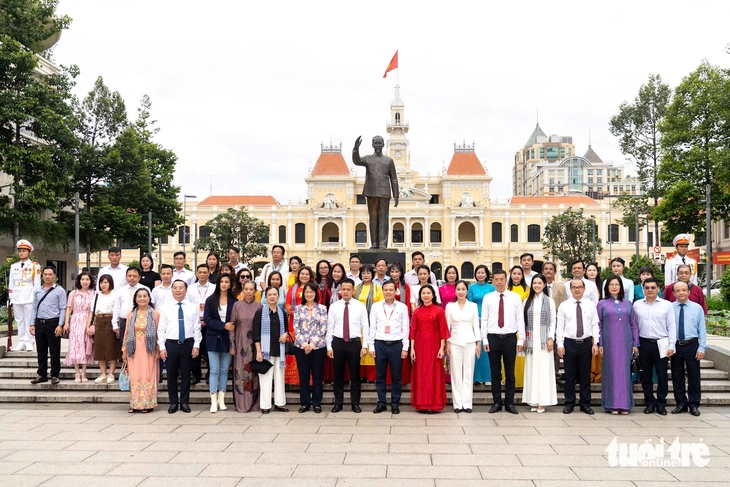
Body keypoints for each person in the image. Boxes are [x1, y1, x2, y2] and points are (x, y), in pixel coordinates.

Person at [481, 270, 525, 414]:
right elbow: (485, 320)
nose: (499, 282)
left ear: (506, 280)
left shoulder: (515, 297)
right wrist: (484, 339)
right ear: (492, 281)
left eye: (502, 279)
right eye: (496, 279)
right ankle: (497, 402)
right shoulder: (488, 298)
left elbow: (520, 319)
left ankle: (509, 402)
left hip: (510, 338)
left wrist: (521, 339)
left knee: (510, 372)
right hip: (493, 337)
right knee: (495, 372)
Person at [556, 279, 600, 415]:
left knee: (585, 375)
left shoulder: (591, 305)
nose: (577, 289)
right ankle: (569, 403)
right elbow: (560, 326)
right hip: (569, 343)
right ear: (570, 289)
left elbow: (595, 324)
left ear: (584, 288)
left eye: (579, 287)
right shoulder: (564, 305)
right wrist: (560, 344)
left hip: (586, 343)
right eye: (574, 287)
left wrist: (595, 343)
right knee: (569, 375)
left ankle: (585, 403)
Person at [597, 275, 639, 414]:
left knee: (624, 373)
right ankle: (612, 404)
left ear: (621, 287)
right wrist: (600, 344)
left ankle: (625, 404)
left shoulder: (628, 303)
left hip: (626, 342)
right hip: (609, 342)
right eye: (611, 285)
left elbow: (633, 324)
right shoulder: (601, 304)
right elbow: (599, 324)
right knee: (611, 372)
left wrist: (635, 343)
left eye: (617, 284)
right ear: (607, 287)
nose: (614, 287)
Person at [158, 280, 201, 414]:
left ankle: (184, 402)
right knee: (171, 374)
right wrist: (162, 347)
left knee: (186, 374)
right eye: (175, 288)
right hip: (170, 344)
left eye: (181, 288)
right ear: (172, 290)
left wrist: (196, 345)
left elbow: (197, 327)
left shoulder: (192, 307)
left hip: (187, 343)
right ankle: (173, 402)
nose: (178, 290)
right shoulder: (165, 307)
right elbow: (161, 329)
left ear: (186, 290)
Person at [634, 277, 676, 415]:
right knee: (645, 375)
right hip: (644, 343)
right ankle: (649, 402)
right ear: (643, 290)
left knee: (662, 375)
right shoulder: (637, 305)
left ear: (658, 289)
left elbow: (671, 326)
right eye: (647, 288)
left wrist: (671, 345)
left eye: (653, 287)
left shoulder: (666, 305)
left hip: (661, 343)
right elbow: (634, 326)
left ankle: (661, 403)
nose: (650, 290)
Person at [326, 278, 369, 413]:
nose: (345, 292)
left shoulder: (360, 306)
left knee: (355, 375)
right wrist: (329, 347)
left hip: (354, 343)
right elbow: (330, 328)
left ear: (353, 290)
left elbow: (365, 327)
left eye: (348, 289)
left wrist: (365, 345)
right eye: (343, 289)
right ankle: (338, 403)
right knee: (338, 375)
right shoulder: (334, 306)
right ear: (340, 290)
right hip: (338, 343)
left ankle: (355, 403)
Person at [368, 280, 410, 414]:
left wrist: (405, 348)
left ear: (395, 291)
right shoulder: (375, 306)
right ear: (382, 291)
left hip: (396, 344)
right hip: (379, 343)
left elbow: (405, 328)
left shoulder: (402, 307)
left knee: (396, 376)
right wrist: (371, 346)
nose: (388, 292)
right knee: (380, 376)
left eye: (391, 289)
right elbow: (372, 327)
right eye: (385, 289)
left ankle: (394, 403)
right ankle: (381, 403)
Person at [352, 134, 399, 248]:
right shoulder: (368, 159)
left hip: (384, 193)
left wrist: (396, 195)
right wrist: (356, 149)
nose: (378, 145)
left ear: (383, 145)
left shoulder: (389, 161)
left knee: (384, 218)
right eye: (376, 143)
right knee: (373, 218)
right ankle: (374, 243)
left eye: (379, 143)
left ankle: (383, 244)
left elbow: (394, 179)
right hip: (371, 192)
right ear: (373, 145)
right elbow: (356, 161)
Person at [410, 285, 450, 414]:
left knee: (434, 373)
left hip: (434, 346)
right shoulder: (416, 311)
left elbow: (443, 330)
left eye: (428, 293)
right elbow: (413, 330)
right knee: (421, 373)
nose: (426, 295)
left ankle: (434, 404)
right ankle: (421, 404)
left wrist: (441, 347)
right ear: (420, 296)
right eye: (423, 293)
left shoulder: (439, 311)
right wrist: (412, 349)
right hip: (420, 346)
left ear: (433, 295)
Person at [522, 274, 558, 413]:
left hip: (544, 342)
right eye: (534, 283)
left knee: (544, 370)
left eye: (539, 283)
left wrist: (550, 338)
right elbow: (523, 322)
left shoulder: (549, 301)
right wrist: (524, 339)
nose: (536, 285)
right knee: (532, 370)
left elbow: (553, 321)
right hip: (531, 342)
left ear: (544, 285)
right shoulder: (527, 301)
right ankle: (534, 400)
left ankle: (542, 402)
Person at [670, 280, 706, 417]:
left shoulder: (697, 308)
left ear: (689, 292)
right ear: (673, 293)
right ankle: (681, 403)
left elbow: (702, 329)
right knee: (677, 376)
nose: (681, 293)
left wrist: (702, 347)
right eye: (678, 290)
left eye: (684, 290)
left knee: (694, 376)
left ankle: (694, 404)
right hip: (676, 345)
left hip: (692, 344)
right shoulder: (670, 307)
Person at [122, 288, 160, 413]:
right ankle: (135, 403)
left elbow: (159, 333)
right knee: (135, 376)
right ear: (135, 299)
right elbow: (127, 333)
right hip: (134, 350)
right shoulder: (131, 314)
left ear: (149, 298)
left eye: (145, 296)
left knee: (147, 376)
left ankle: (147, 404)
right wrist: (124, 350)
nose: (142, 298)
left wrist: (159, 349)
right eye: (139, 296)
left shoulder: (155, 314)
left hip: (150, 350)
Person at [293, 282, 328, 413]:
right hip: (301, 347)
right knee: (304, 376)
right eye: (306, 292)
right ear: (303, 294)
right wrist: (304, 344)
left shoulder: (322, 309)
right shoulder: (298, 308)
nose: (309, 294)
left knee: (317, 376)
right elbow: (296, 328)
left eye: (311, 292)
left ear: (316, 293)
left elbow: (323, 327)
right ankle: (305, 403)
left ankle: (317, 403)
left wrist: (312, 345)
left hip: (317, 347)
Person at [445, 281, 480, 413]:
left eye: (463, 289)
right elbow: (447, 327)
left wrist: (478, 342)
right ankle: (457, 404)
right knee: (456, 372)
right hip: (454, 342)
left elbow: (476, 325)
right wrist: (447, 343)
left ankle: (467, 403)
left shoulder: (473, 306)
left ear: (467, 291)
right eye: (458, 289)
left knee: (468, 372)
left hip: (470, 342)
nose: (460, 292)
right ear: (455, 291)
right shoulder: (450, 307)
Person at [253, 286, 289, 413]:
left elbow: (287, 330)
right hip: (265, 351)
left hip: (279, 349)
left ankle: (280, 403)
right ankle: (265, 405)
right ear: (265, 297)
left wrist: (285, 335)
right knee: (265, 379)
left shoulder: (283, 313)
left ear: (278, 297)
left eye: (275, 294)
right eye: (270, 295)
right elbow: (255, 334)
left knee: (279, 378)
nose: (272, 297)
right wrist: (258, 351)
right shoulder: (259, 312)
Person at [203, 274, 236, 413]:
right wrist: (223, 325)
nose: (223, 284)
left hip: (228, 338)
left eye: (226, 281)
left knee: (224, 370)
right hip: (213, 338)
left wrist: (230, 327)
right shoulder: (210, 300)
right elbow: (207, 319)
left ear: (230, 284)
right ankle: (213, 400)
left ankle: (222, 399)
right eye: (221, 281)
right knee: (214, 369)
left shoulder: (234, 301)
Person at [29, 266, 67, 385]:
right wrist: (32, 323)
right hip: (40, 323)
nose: (47, 276)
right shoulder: (37, 291)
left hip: (53, 323)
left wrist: (60, 325)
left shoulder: (60, 291)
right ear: (42, 276)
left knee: (54, 351)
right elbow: (34, 307)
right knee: (41, 350)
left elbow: (62, 308)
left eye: (50, 274)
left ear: (55, 276)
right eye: (45, 274)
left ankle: (55, 375)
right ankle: (42, 374)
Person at [229, 280, 263, 413]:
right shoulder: (237, 305)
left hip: (255, 345)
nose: (249, 292)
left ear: (255, 291)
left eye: (251, 289)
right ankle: (242, 404)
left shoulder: (260, 306)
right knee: (241, 373)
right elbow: (232, 326)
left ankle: (255, 403)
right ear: (243, 290)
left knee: (254, 374)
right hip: (241, 343)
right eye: (246, 289)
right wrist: (232, 345)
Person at [64, 271, 97, 382]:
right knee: (75, 345)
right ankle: (77, 372)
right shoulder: (73, 293)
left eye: (87, 279)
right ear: (79, 280)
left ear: (91, 281)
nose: (85, 282)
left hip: (88, 320)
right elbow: (69, 308)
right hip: (75, 320)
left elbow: (94, 310)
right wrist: (66, 322)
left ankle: (84, 372)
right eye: (83, 279)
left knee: (86, 345)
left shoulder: (94, 294)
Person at [9, 239, 41, 352]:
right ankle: (21, 341)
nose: (21, 253)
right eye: (20, 251)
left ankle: (29, 341)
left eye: (24, 251)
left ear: (29, 252)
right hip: (17, 296)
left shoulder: (34, 266)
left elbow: (37, 284)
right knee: (19, 320)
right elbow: (11, 282)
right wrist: (10, 296)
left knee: (29, 320)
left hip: (29, 296)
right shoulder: (14, 266)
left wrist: (37, 298)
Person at [354, 264, 383, 382]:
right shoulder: (356, 288)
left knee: (371, 348)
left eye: (368, 273)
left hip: (372, 323)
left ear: (373, 274)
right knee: (360, 349)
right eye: (363, 273)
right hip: (358, 323)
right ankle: (361, 375)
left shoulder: (377, 288)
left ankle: (371, 376)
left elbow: (380, 305)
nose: (366, 275)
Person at [188, 264, 216, 386]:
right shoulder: (190, 288)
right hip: (194, 322)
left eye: (205, 272)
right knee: (195, 350)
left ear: (209, 273)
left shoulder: (214, 288)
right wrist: (197, 321)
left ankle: (210, 375)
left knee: (210, 350)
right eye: (200, 272)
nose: (203, 274)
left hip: (209, 322)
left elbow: (216, 305)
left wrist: (207, 320)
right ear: (197, 274)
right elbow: (188, 305)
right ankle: (196, 375)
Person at [91, 275, 121, 383]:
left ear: (110, 283)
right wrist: (89, 325)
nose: (103, 285)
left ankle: (111, 374)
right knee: (99, 348)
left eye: (106, 282)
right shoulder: (96, 296)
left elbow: (118, 311)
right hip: (99, 321)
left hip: (111, 320)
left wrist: (117, 325)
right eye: (101, 282)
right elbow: (92, 312)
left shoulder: (116, 295)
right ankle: (103, 373)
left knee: (112, 347)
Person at [467, 264, 494, 385]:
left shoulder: (492, 288)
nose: (480, 275)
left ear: (486, 274)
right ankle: (476, 377)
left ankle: (487, 377)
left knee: (487, 348)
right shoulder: (471, 288)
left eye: (483, 272)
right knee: (476, 347)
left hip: (489, 320)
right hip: (475, 320)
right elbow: (469, 304)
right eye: (478, 272)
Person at [543, 261, 567, 383]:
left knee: (556, 350)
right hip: (541, 323)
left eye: (550, 269)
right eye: (546, 269)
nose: (548, 271)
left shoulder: (561, 287)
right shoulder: (537, 285)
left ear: (554, 272)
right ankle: (544, 376)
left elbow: (564, 305)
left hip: (557, 322)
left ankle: (555, 375)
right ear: (542, 271)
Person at [112, 267, 150, 346]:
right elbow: (117, 307)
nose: (132, 278)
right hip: (125, 322)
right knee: (125, 347)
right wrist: (115, 324)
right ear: (126, 277)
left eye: (135, 276)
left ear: (139, 277)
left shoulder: (145, 289)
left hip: (141, 322)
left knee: (141, 346)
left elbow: (150, 306)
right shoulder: (121, 290)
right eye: (129, 276)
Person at [507, 265, 528, 390]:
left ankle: (520, 381)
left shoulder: (527, 290)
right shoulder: (505, 289)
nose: (516, 276)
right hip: (508, 327)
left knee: (521, 356)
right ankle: (507, 379)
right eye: (514, 273)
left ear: (522, 275)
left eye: (519, 274)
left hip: (522, 325)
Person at [585, 262, 603, 384]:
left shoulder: (602, 286)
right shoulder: (583, 285)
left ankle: (599, 373)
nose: (592, 272)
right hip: (587, 319)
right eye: (589, 270)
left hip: (600, 319)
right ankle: (590, 372)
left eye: (594, 270)